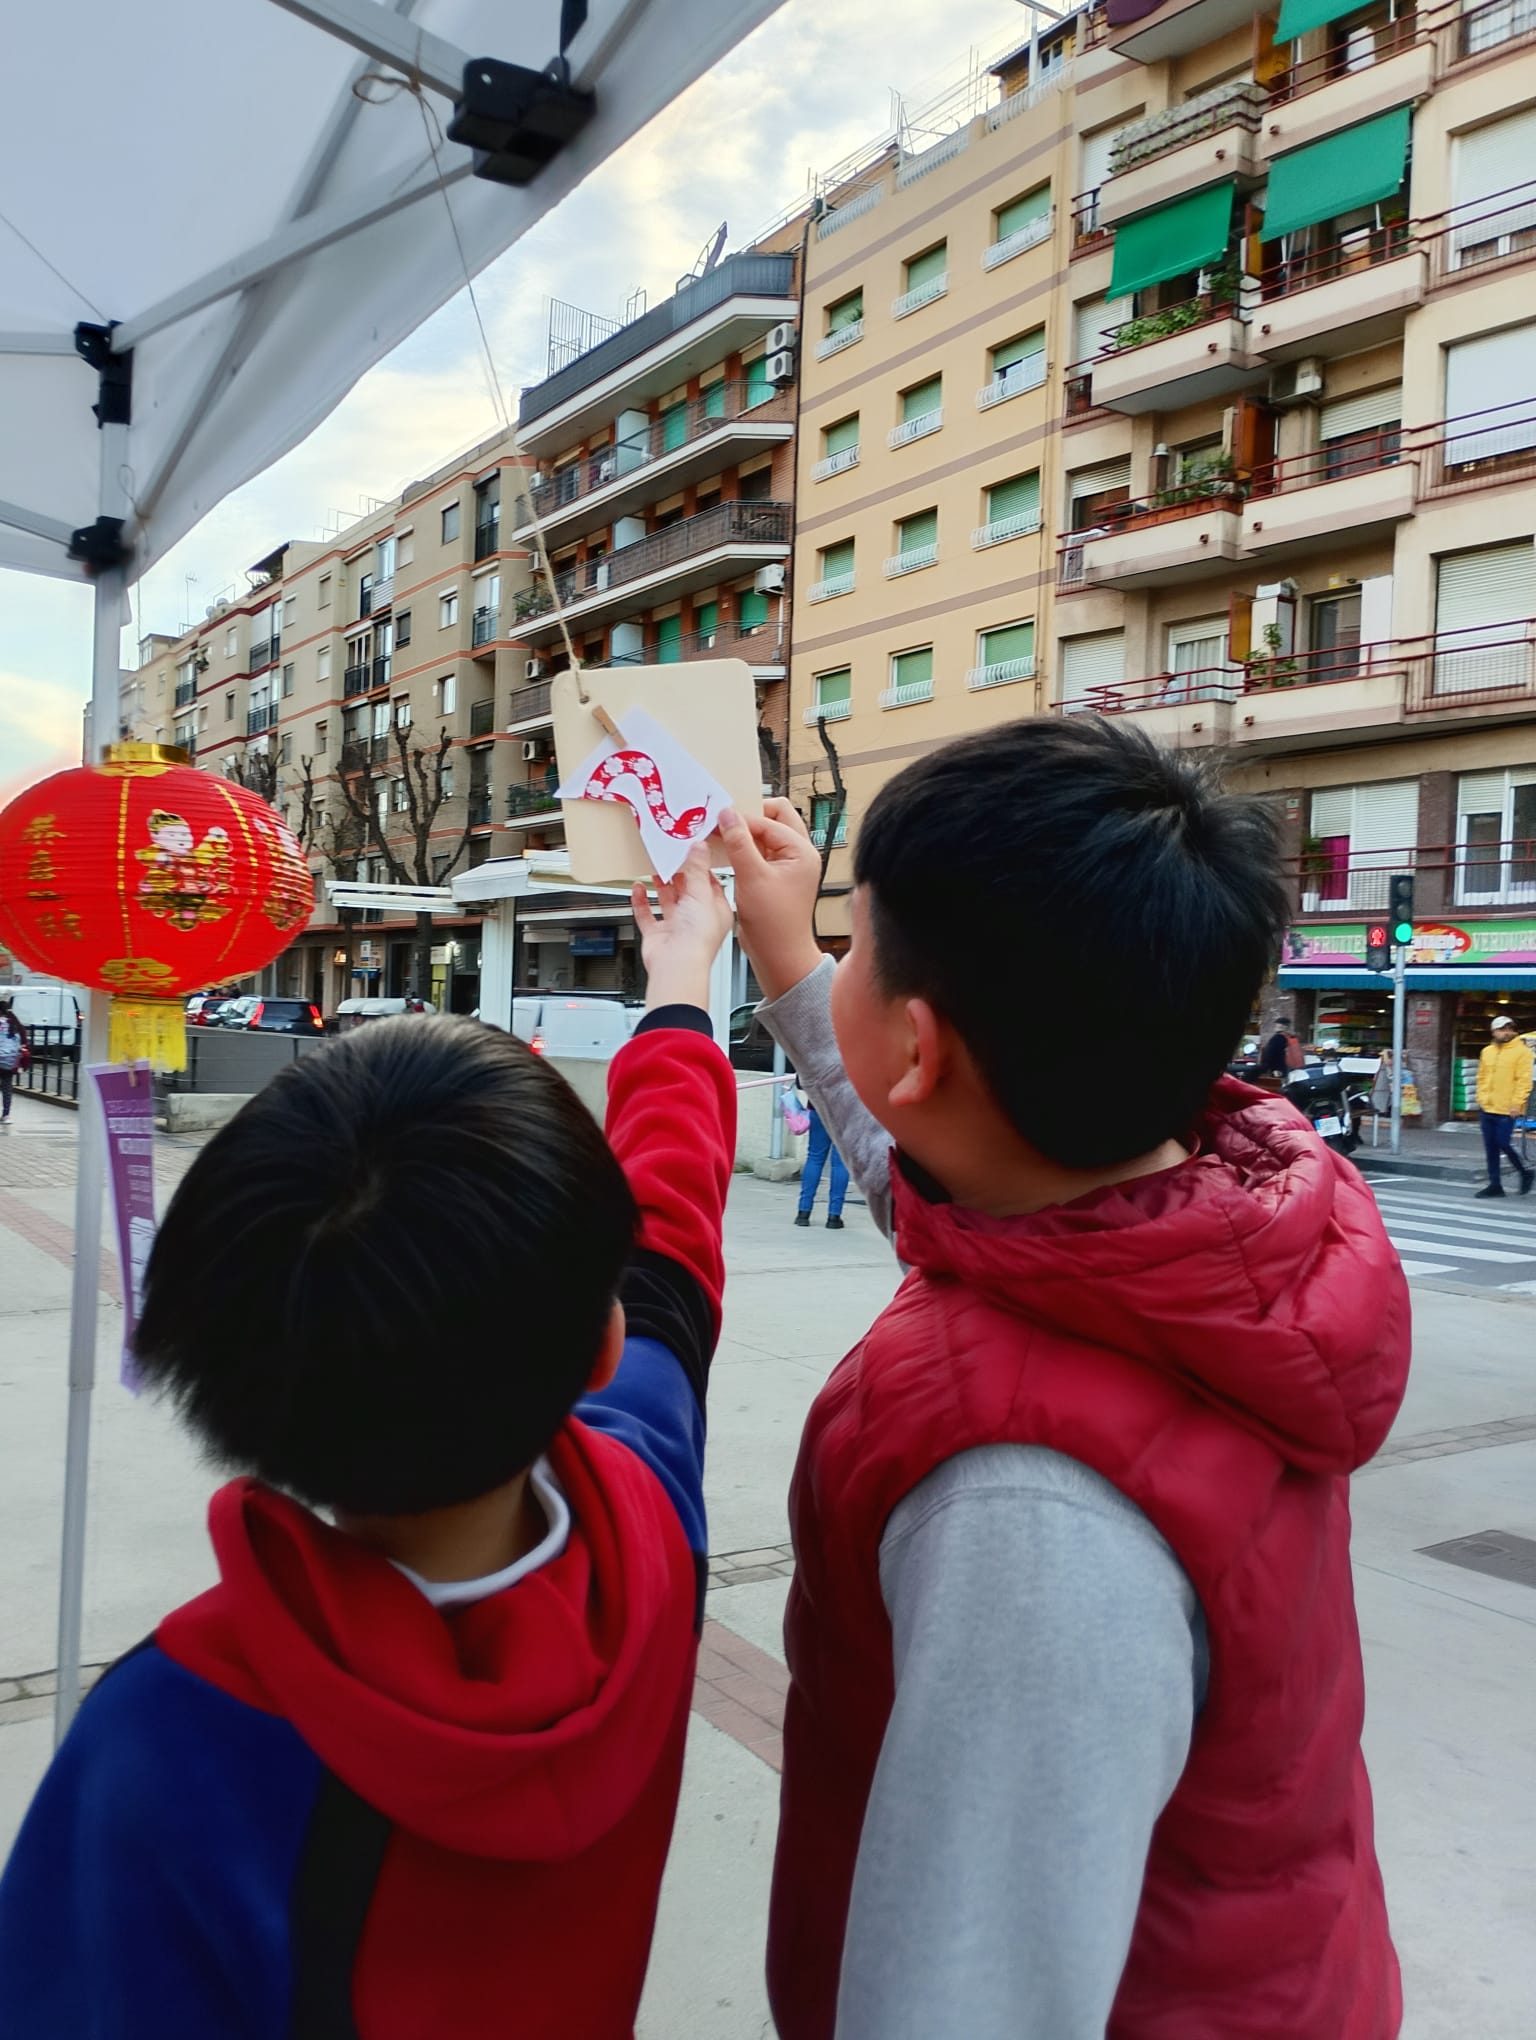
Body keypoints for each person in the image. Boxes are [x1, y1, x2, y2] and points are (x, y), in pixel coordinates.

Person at [718, 716, 1409, 2040]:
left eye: (860, 942)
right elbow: (924, 1170)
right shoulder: (1180, 1239)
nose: (842, 958)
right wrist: (791, 955)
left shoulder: (1025, 1515)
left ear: (921, 1050)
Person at [0, 849, 736, 2039]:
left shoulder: (171, 1742)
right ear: (602, 1341)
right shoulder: (652, 1515)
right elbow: (675, 1220)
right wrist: (683, 976)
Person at [1474, 1013, 1534, 1199]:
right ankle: (1495, 1185)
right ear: (1493, 1031)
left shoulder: (1522, 1052)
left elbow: (1523, 1081)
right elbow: (1481, 1077)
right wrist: (1481, 1098)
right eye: (1502, 1029)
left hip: (1507, 1108)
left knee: (1502, 1142)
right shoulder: (1487, 1052)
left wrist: (1517, 1104)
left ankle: (1524, 1172)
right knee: (1490, 1147)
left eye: (1509, 1029)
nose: (1506, 1032)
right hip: (1487, 1106)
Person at [795, 1099, 849, 1230]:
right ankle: (834, 1216)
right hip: (846, 1111)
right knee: (841, 1162)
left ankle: (803, 1213)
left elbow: (801, 1086)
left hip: (818, 1108)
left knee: (814, 1157)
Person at [0, 1001, 27, 1122]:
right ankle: (6, 1115)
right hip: (10, 1061)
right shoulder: (16, 1024)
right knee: (7, 1087)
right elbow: (24, 1042)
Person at [1258, 1012, 1301, 1082]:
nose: (1275, 1027)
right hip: (1292, 1068)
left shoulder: (1277, 1038)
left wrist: (1265, 1067)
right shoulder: (1292, 1037)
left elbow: (1269, 1054)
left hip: (1278, 1070)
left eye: (1276, 1025)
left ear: (1281, 1026)